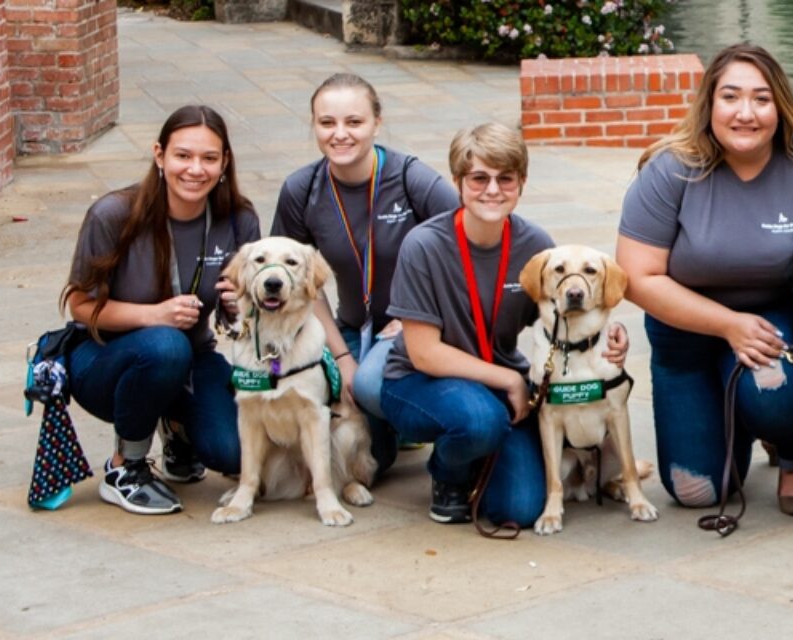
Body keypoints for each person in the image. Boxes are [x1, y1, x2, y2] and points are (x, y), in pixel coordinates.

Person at [616, 43, 793, 515]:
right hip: (684, 332)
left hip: (773, 324)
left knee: (773, 395)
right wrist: (727, 325)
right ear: (709, 103)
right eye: (731, 97)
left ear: (781, 107)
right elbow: (636, 276)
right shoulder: (670, 170)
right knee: (698, 492)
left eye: (761, 98)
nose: (745, 113)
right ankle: (731, 415)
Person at [377, 122, 625, 525]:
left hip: (491, 382)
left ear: (521, 183)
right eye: (479, 178)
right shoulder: (423, 245)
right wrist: (510, 380)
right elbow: (423, 353)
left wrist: (611, 334)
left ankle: (478, 454)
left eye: (505, 178)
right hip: (419, 382)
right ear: (457, 182)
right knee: (478, 421)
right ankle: (449, 473)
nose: (492, 190)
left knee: (520, 508)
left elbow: (564, 317)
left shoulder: (535, 247)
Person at [60, 105, 261, 515]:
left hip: (193, 356)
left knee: (234, 453)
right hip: (104, 357)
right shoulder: (114, 214)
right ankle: (125, 467)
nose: (195, 169)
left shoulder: (238, 219)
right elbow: (79, 305)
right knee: (165, 345)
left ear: (225, 163)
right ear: (159, 156)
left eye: (209, 158)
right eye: (183, 155)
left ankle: (178, 426)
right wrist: (154, 315)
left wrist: (242, 307)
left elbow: (244, 323)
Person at [271, 72, 461, 471]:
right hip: (349, 330)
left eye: (354, 122)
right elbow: (298, 283)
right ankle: (393, 425)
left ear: (377, 122)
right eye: (327, 123)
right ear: (314, 125)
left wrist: (416, 317)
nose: (340, 134)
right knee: (368, 456)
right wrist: (340, 356)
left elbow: (464, 249)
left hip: (413, 327)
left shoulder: (411, 178)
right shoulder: (302, 189)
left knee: (370, 386)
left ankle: (427, 426)